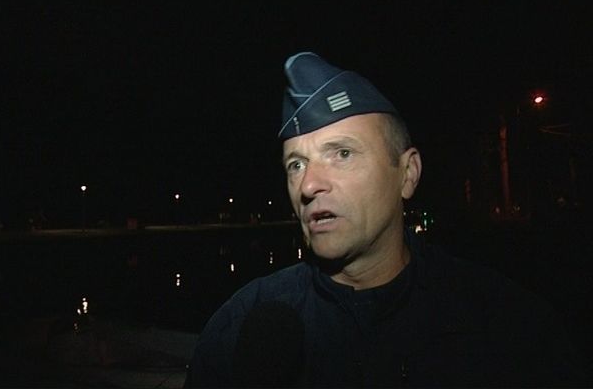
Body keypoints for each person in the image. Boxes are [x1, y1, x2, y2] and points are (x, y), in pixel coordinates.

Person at [185, 52, 587, 387]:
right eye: (296, 163)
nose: (308, 185)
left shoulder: (507, 328)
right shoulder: (240, 325)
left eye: (342, 154)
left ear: (407, 173)